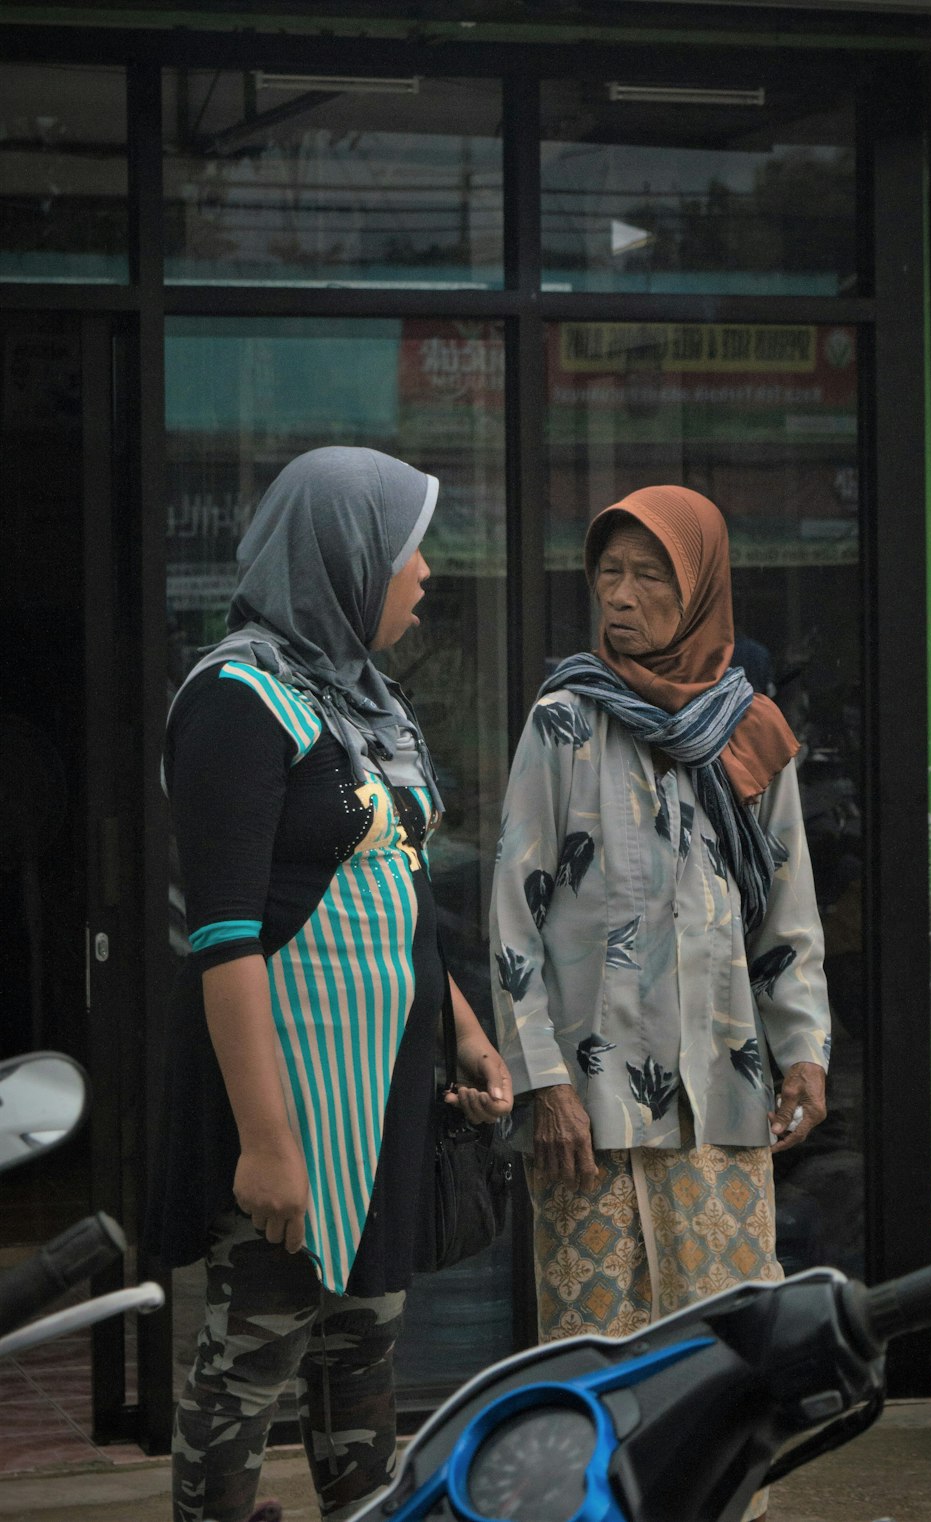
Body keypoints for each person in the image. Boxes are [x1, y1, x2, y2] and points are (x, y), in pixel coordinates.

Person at [145, 447, 512, 1522]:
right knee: (248, 1366)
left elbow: (396, 886)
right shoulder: (236, 701)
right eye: (407, 548)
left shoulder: (364, 701)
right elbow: (225, 938)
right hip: (294, 1108)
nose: (425, 570)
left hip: (381, 1099)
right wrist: (266, 1142)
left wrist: (469, 1034)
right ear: (346, 557)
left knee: (364, 1363)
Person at [490, 485, 829, 1522]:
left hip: (723, 1112)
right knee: (592, 1378)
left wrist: (805, 1050)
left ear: (700, 591)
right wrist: (544, 1079)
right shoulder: (563, 723)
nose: (623, 598)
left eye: (650, 576)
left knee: (724, 1367)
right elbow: (513, 914)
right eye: (609, 574)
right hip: (587, 1122)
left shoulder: (753, 734)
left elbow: (788, 919)